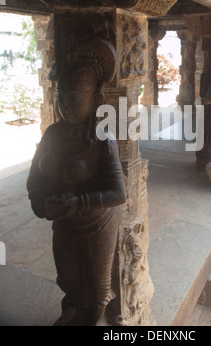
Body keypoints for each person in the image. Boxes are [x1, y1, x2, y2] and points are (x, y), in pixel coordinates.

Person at [27, 39, 127, 326]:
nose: (64, 106)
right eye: (60, 98)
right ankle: (75, 310)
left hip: (98, 222)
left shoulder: (102, 139)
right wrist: (39, 200)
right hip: (65, 220)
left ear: (95, 99)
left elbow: (118, 193)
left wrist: (78, 201)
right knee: (69, 279)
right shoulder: (52, 134)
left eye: (73, 98)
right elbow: (34, 177)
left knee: (98, 291)